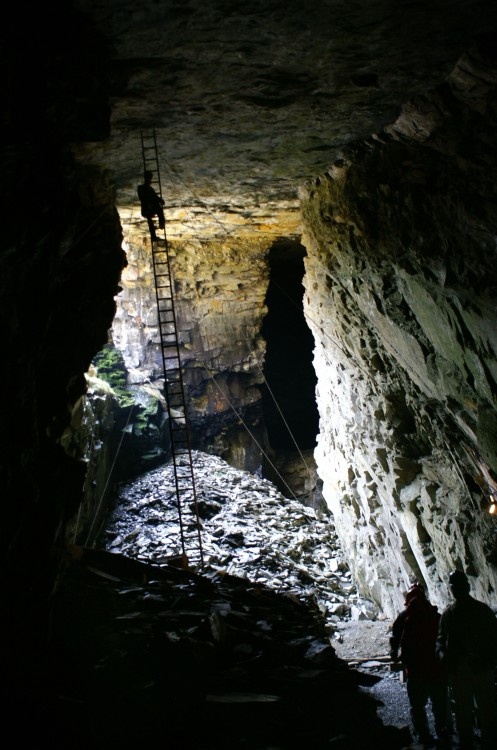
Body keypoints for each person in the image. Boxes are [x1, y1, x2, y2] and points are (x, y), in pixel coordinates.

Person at [436, 569, 497, 750]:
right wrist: (444, 657)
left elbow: (494, 639)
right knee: (469, 711)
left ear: (466, 587)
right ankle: (471, 743)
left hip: (477, 668)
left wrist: (487, 661)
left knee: (481, 710)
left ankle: (483, 743)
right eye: (455, 586)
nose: (456, 590)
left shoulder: (475, 611)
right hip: (465, 668)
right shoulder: (453, 614)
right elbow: (440, 640)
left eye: (458, 586)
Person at [390, 582, 450, 748]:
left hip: (416, 670)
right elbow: (445, 639)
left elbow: (395, 638)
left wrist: (394, 654)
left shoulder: (405, 617)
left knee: (417, 705)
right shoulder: (435, 616)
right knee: (439, 704)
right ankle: (443, 732)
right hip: (436, 669)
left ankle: (424, 735)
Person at [137, 170, 165, 241]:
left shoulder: (148, 188)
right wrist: (155, 201)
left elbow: (154, 196)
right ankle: (156, 232)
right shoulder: (142, 188)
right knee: (151, 219)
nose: (150, 180)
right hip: (147, 209)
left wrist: (160, 200)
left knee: (157, 212)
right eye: (149, 178)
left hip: (148, 209)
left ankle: (160, 225)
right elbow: (145, 198)